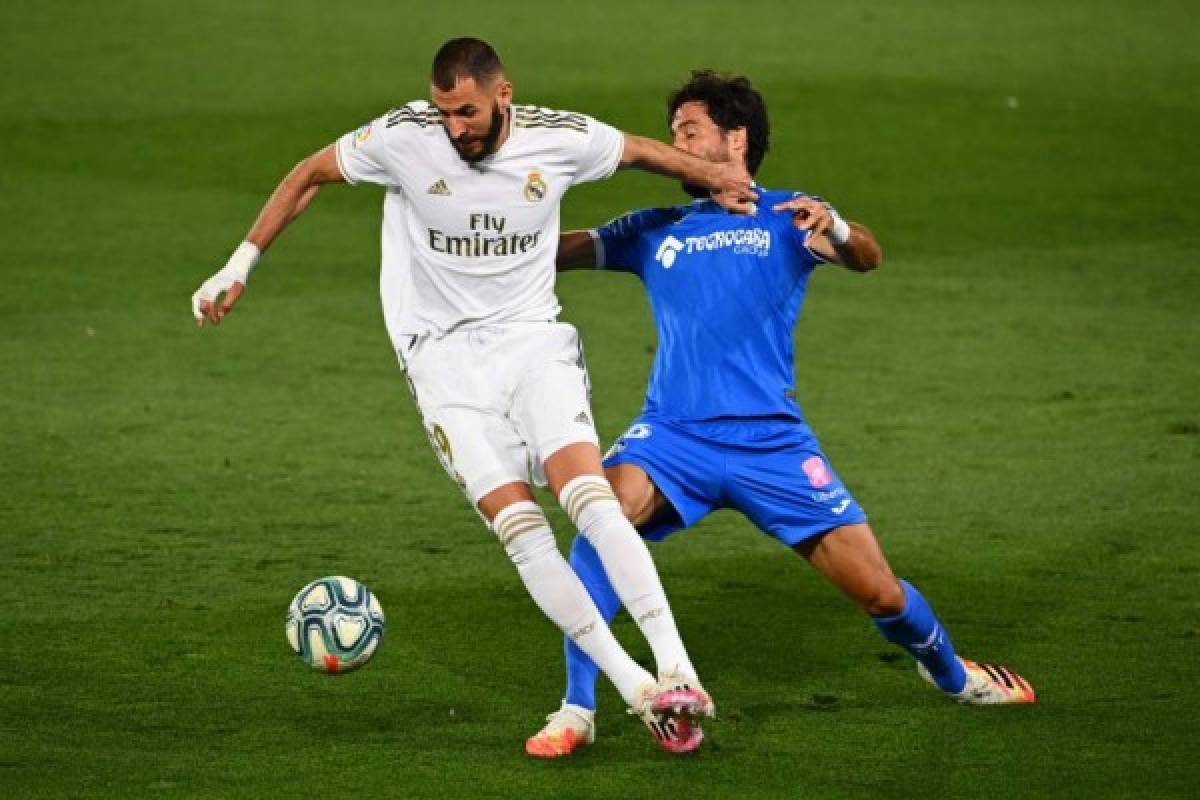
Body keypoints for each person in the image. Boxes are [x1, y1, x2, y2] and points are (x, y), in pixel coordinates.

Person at [190, 39, 760, 753]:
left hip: (531, 344)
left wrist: (717, 177)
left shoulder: (559, 139)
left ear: (503, 95)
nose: (455, 127)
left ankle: (679, 669)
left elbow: (645, 152)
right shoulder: (404, 138)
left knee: (588, 497)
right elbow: (310, 173)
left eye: (466, 111)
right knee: (521, 532)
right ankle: (637, 688)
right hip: (443, 367)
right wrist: (238, 264)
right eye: (444, 112)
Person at [524, 69, 1036, 758]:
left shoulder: (791, 214)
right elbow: (552, 253)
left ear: (736, 138)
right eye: (673, 132)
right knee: (601, 512)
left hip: (773, 444)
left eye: (688, 131)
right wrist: (499, 226)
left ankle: (952, 675)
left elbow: (867, 257)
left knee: (881, 594)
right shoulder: (657, 227)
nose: (674, 144)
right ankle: (577, 707)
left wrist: (840, 225)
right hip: (672, 435)